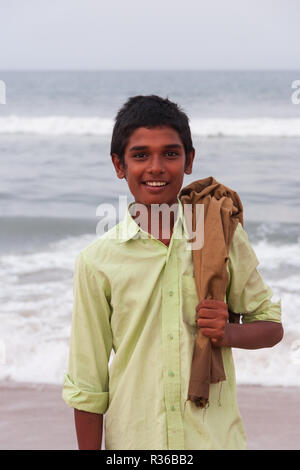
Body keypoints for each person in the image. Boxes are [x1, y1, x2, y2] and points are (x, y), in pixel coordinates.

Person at [62, 95, 283, 450]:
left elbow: (271, 326)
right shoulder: (97, 261)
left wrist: (227, 333)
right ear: (119, 165)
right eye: (140, 155)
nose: (156, 167)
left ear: (189, 160)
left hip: (215, 441)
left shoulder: (221, 236)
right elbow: (88, 384)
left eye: (170, 153)